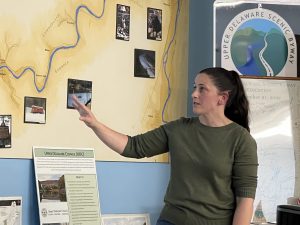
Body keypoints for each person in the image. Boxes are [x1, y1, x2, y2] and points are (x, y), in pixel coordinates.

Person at [72, 67, 258, 225]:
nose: (194, 94)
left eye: (202, 89)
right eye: (195, 88)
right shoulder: (179, 129)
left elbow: (245, 200)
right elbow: (133, 147)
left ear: (222, 98)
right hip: (171, 220)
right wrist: (95, 124)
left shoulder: (241, 140)